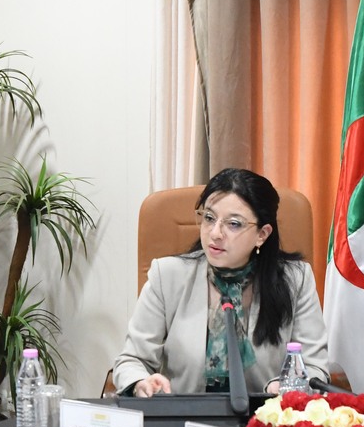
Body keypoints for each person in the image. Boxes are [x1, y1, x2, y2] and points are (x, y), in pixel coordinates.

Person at [109, 168, 330, 397]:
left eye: (233, 224)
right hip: (183, 414)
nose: (215, 233)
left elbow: (314, 368)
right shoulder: (167, 276)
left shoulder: (296, 280)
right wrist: (141, 382)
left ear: (262, 234)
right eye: (209, 218)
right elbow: (132, 361)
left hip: (266, 415)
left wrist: (285, 386)